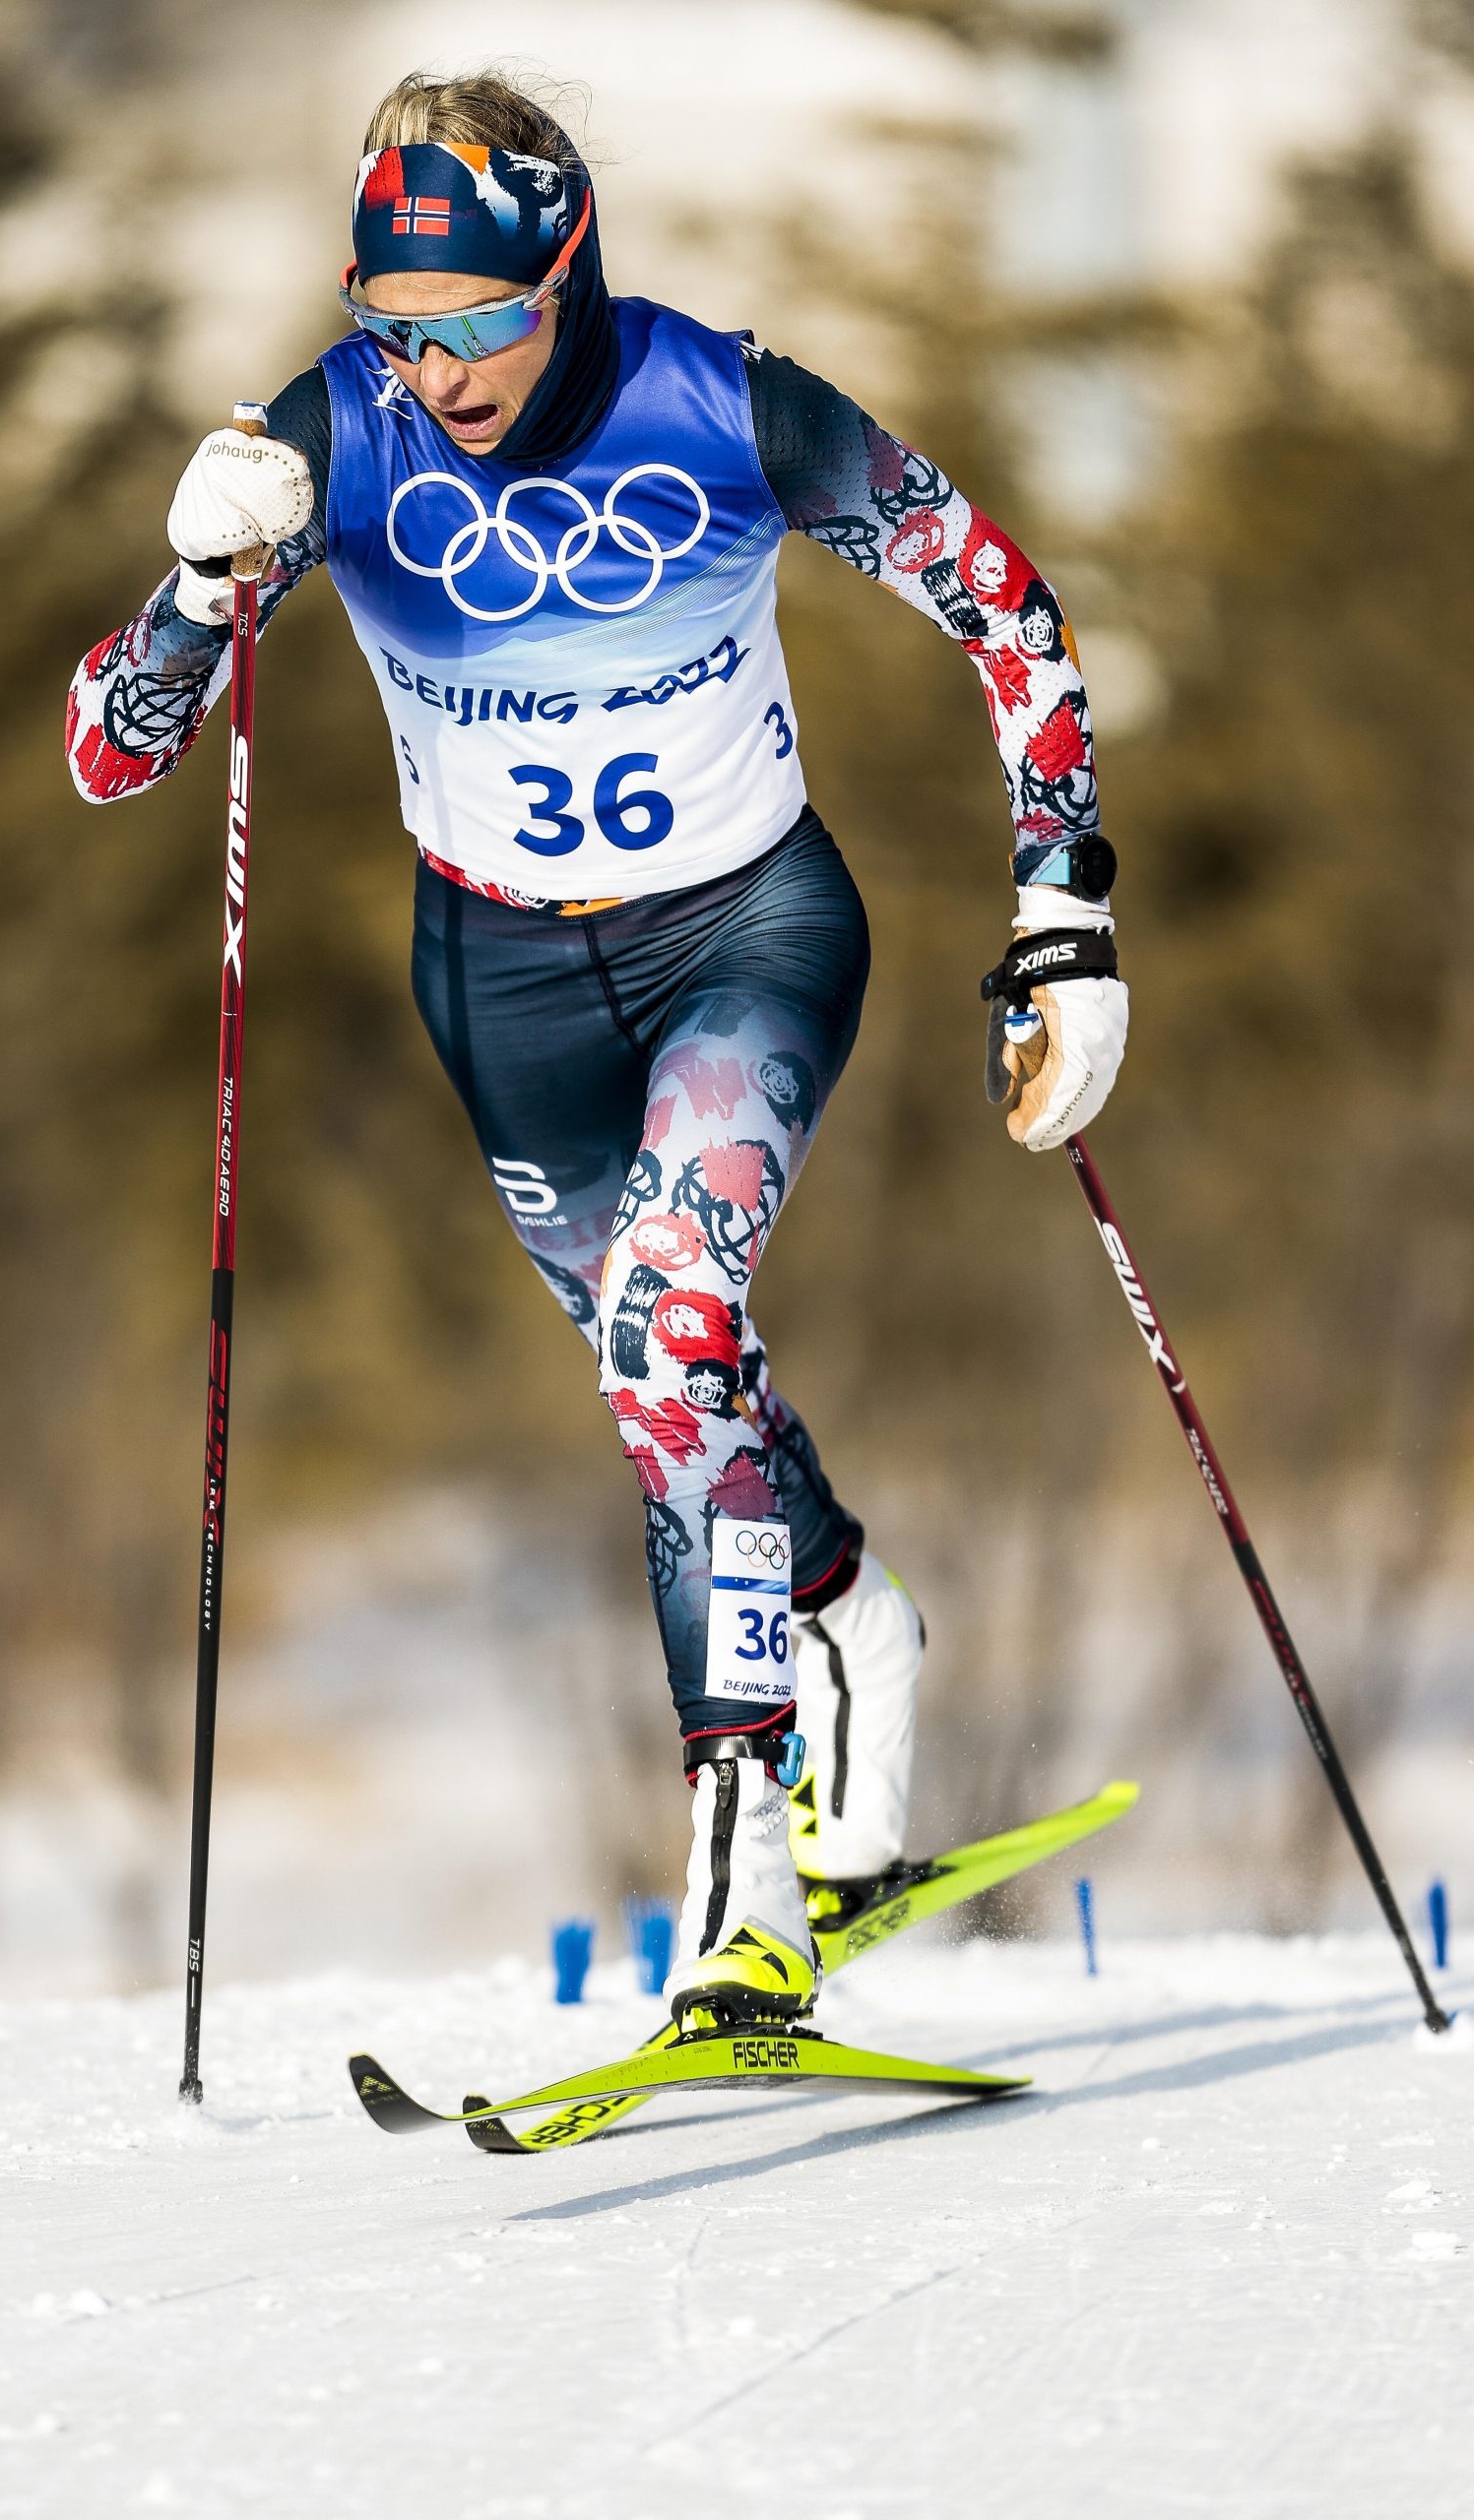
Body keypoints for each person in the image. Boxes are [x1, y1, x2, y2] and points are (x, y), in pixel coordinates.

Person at [67, 69, 1126, 2028]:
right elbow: (108, 756)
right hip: (500, 986)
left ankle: (741, 1858)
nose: (441, 369)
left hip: (748, 933)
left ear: (567, 273)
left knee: (665, 1330)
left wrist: (1062, 906)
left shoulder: (718, 402)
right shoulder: (330, 433)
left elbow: (1000, 602)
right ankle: (852, 1618)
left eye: (477, 318)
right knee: (675, 1388)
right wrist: (199, 584)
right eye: (397, 322)